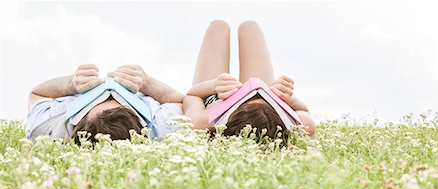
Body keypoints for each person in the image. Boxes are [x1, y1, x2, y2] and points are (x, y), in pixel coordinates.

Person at [183, 20, 316, 140]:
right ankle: (266, 97)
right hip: (264, 109)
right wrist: (285, 97)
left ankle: (234, 102)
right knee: (250, 27)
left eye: (243, 100)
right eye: (266, 99)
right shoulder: (300, 126)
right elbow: (304, 111)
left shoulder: (201, 122)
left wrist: (214, 85)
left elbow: (191, 95)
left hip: (211, 98)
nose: (247, 94)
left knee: (217, 27)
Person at [26, 64, 184, 143]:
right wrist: (147, 83)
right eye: (119, 98)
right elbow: (183, 101)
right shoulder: (161, 126)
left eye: (96, 99)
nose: (108, 90)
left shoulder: (50, 125)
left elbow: (37, 94)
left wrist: (70, 83)